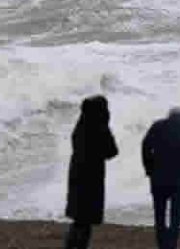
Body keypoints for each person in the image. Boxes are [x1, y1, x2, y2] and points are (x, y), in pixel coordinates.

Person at [142, 107, 180, 249]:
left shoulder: (158, 127)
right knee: (176, 219)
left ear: (169, 116)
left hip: (159, 180)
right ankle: (172, 245)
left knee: (160, 217)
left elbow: (145, 147)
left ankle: (162, 245)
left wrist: (149, 169)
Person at [64, 95, 119, 249]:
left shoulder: (80, 126)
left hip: (76, 175)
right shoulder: (100, 128)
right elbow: (112, 151)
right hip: (92, 178)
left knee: (79, 219)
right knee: (85, 221)